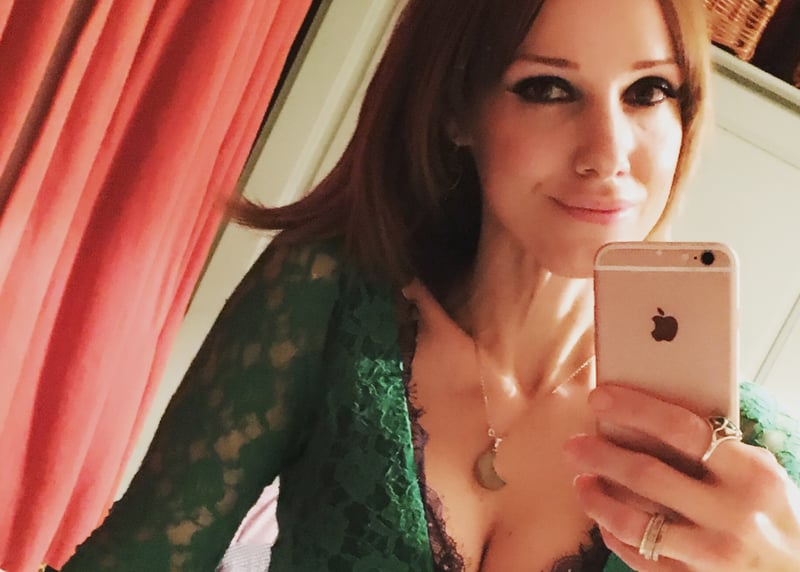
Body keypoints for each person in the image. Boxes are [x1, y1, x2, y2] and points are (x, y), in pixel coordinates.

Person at [53, 0, 800, 570]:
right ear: (454, 111)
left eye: (649, 91)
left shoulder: (752, 461)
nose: (609, 152)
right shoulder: (328, 299)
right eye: (546, 88)